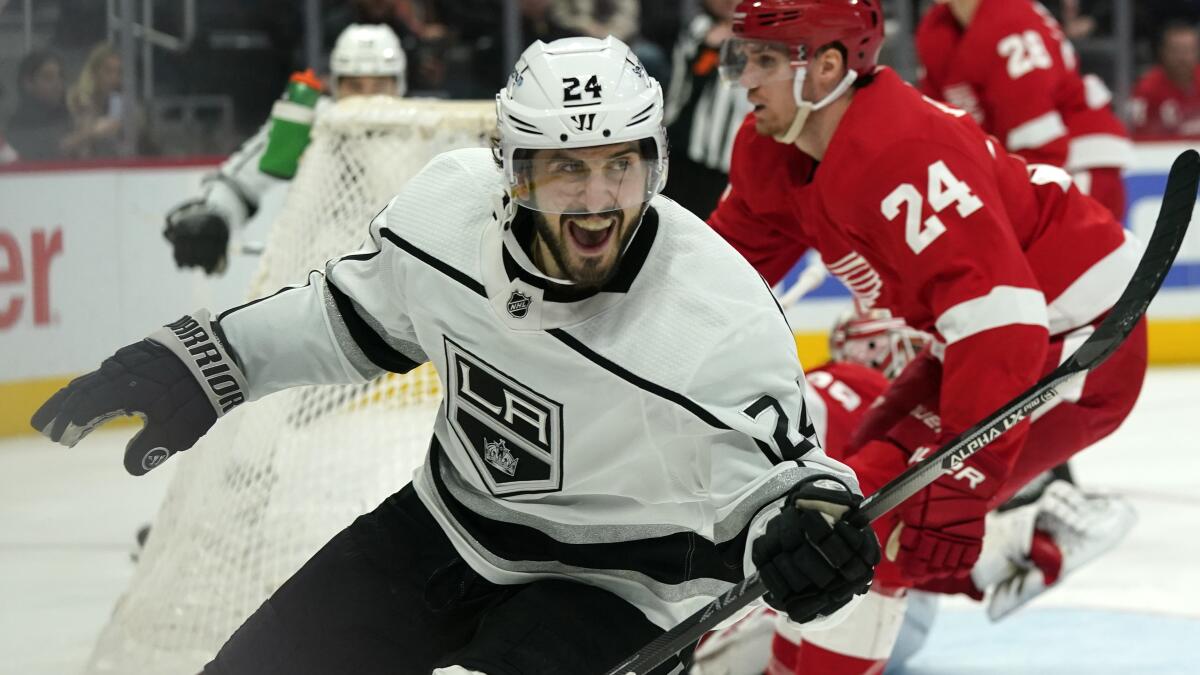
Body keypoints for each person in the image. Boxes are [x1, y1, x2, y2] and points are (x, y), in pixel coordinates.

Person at [31, 36, 879, 675]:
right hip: (442, 526)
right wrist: (204, 364)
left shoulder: (720, 317)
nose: (595, 201)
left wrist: (813, 538)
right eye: (563, 170)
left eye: (620, 166)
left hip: (620, 588)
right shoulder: (447, 215)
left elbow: (790, 482)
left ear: (653, 165)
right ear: (510, 171)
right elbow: (344, 319)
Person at [708, 1, 1147, 672]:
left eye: (766, 60)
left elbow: (1006, 323)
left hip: (1078, 343)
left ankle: (1011, 533)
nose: (745, 78)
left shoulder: (899, 150)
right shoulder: (776, 146)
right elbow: (715, 276)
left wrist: (965, 482)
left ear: (826, 68)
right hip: (984, 338)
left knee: (873, 525)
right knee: (844, 499)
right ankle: (1017, 536)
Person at [163, 24, 407, 277]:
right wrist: (215, 216)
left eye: (379, 85)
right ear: (335, 85)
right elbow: (240, 181)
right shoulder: (308, 121)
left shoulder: (429, 130)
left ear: (398, 86)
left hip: (394, 280)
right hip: (316, 276)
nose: (366, 99)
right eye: (355, 86)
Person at [915, 0, 1132, 220]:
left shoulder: (1012, 22)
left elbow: (1042, 143)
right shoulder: (935, 27)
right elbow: (941, 124)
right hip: (1023, 167)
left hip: (1077, 164)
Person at [661, 0, 752, 219]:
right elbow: (678, 85)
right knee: (667, 216)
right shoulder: (697, 28)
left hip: (719, 155)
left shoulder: (756, 40)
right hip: (679, 140)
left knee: (705, 224)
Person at [65, 41, 154, 158]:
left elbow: (141, 132)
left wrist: (125, 125)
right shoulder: (74, 100)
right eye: (108, 71)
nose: (114, 78)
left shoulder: (124, 101)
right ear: (93, 72)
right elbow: (62, 144)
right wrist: (92, 133)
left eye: (119, 72)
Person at [6, 50, 81, 161]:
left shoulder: (66, 115)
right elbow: (50, 152)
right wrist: (87, 134)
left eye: (60, 77)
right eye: (48, 78)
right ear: (28, 83)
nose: (58, 84)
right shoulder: (19, 125)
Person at [1131, 21, 1200, 140]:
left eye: (1188, 50)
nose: (1182, 58)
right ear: (1163, 52)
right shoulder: (1147, 88)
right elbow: (1140, 139)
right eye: (1176, 51)